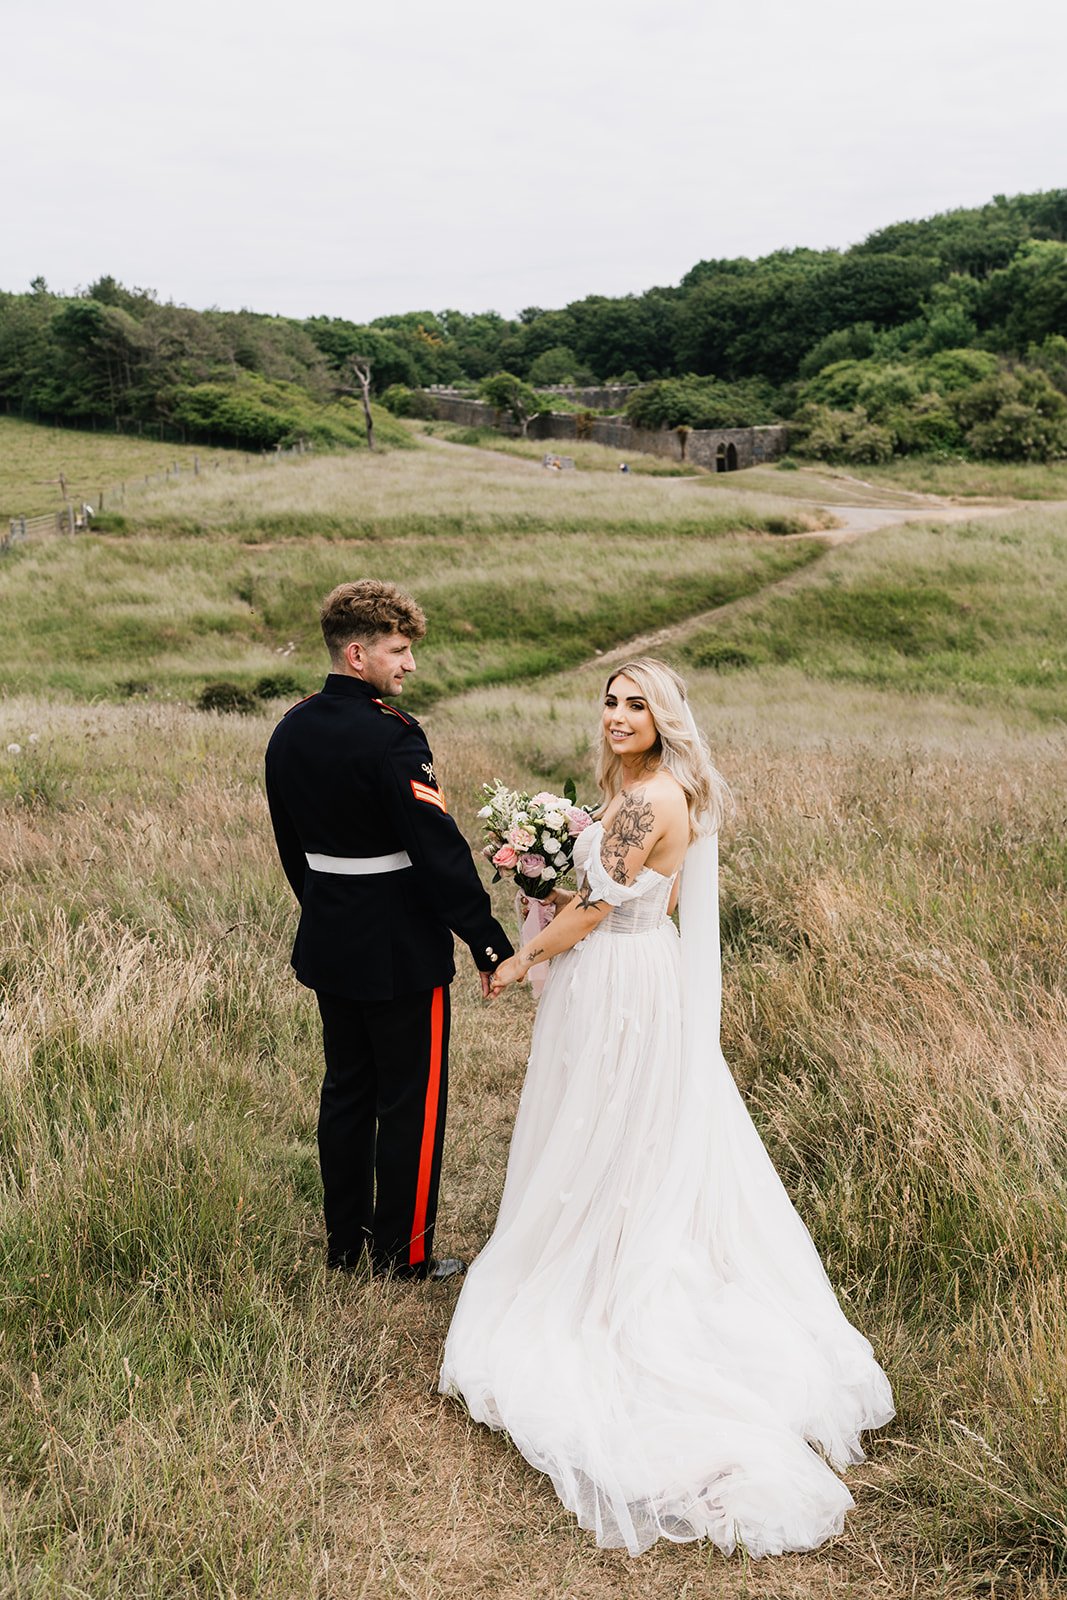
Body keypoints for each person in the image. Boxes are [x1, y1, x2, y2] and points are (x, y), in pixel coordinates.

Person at [439, 658, 893, 1555]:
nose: (615, 714)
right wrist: (552, 887)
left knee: (605, 1130)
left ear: (665, 717)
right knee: (625, 1132)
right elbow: (645, 895)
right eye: (609, 700)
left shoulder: (647, 803)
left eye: (635, 703)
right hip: (638, 974)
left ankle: (606, 1274)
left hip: (614, 981)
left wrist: (520, 957)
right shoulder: (648, 792)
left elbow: (599, 914)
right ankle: (612, 1235)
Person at [265, 580, 514, 1282]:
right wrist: (486, 941)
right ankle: (402, 1256)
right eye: (398, 651)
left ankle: (345, 1249)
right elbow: (437, 851)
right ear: (356, 654)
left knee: (346, 1092)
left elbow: (293, 848)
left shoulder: (291, 727)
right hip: (402, 948)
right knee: (410, 1099)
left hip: (331, 938)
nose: (408, 665)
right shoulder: (393, 738)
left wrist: (325, 908)